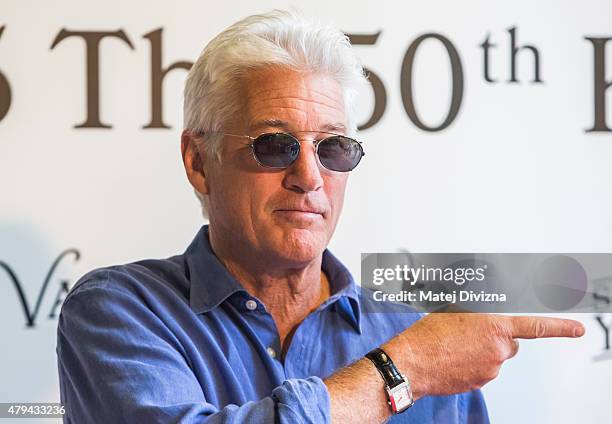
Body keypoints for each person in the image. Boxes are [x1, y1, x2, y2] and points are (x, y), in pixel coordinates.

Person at [56, 10, 585, 423]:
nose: (309, 176)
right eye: (275, 145)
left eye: (332, 148)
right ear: (199, 162)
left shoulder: (416, 329)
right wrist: (405, 371)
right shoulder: (120, 311)